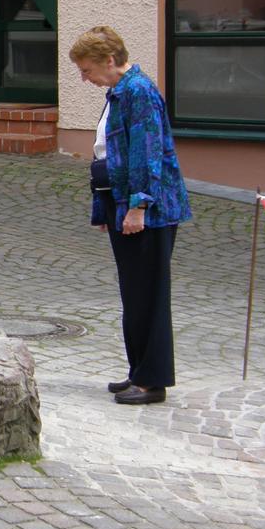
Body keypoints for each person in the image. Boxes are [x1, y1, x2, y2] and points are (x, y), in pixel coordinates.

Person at [69, 26, 191, 405]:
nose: (84, 78)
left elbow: (146, 154)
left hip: (148, 211)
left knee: (148, 294)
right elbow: (109, 156)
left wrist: (138, 206)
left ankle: (153, 381)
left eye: (87, 69)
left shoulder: (138, 92)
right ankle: (138, 371)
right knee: (134, 293)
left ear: (109, 60)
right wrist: (104, 209)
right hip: (122, 204)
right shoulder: (119, 92)